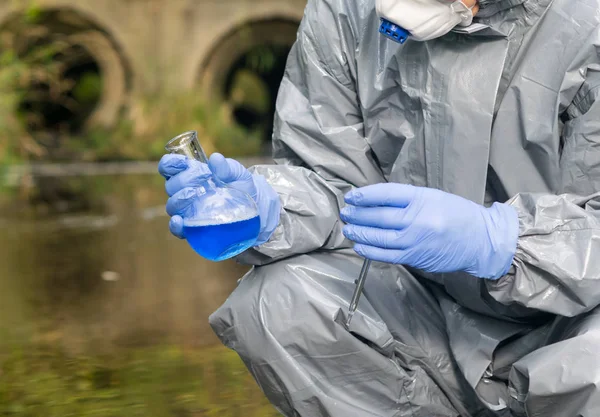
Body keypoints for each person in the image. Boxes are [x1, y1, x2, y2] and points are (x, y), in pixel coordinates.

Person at [158, 0, 600, 414]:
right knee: (279, 302)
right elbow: (337, 185)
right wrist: (274, 206)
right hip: (426, 316)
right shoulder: (347, 11)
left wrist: (502, 242)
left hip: (572, 326)